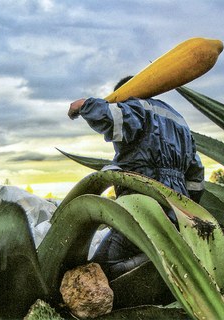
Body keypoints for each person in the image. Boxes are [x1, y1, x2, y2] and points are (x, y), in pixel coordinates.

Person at [67, 76, 205, 280]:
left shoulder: (136, 107)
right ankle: (162, 260)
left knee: (102, 269)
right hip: (175, 207)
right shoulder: (178, 120)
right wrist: (183, 208)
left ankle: (156, 260)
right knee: (155, 247)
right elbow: (196, 176)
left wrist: (83, 105)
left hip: (141, 206)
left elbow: (112, 118)